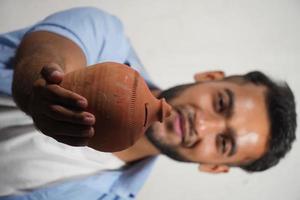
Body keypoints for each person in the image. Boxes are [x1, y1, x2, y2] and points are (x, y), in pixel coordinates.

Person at [0, 7, 296, 200]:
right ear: (209, 76)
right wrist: (38, 90)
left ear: (213, 166)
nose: (202, 124)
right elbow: (48, 52)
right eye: (220, 103)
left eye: (223, 142)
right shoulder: (107, 38)